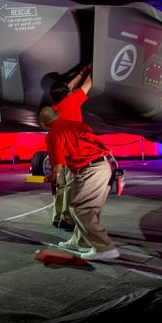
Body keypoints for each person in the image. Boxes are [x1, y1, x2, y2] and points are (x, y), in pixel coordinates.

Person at [39, 106, 119, 261]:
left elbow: (57, 166)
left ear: (43, 124)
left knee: (81, 209)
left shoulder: (53, 134)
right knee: (86, 208)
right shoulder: (78, 125)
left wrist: (51, 178)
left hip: (90, 169)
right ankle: (79, 241)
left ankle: (104, 248)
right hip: (103, 166)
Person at [48, 64, 93, 231]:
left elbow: (69, 88)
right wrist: (95, 69)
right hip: (71, 152)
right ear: (67, 94)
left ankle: (57, 216)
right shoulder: (72, 101)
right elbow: (88, 85)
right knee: (71, 187)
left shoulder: (55, 106)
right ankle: (67, 219)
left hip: (57, 153)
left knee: (60, 186)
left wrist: (82, 71)